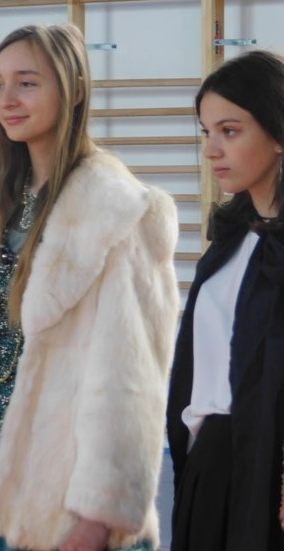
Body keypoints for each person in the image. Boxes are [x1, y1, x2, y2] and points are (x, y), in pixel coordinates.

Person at [0, 23, 180, 551]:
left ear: (74, 89)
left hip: (60, 495)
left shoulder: (120, 211)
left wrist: (98, 515)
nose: (6, 99)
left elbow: (132, 378)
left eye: (27, 83)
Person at [166, 50, 284, 551]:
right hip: (211, 463)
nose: (212, 150)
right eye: (206, 132)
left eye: (230, 131)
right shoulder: (231, 241)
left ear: (278, 133)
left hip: (270, 465)